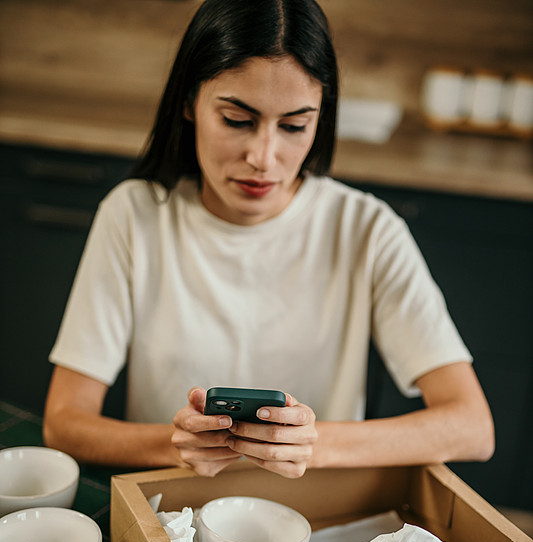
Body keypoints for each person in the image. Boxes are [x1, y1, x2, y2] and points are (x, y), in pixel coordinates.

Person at [43, 0, 494, 479]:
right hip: (173, 510)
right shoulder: (134, 215)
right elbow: (64, 423)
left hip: (318, 515)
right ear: (190, 102)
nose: (264, 157)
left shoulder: (366, 229)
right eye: (237, 120)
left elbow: (471, 427)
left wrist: (308, 443)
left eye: (295, 126)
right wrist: (177, 445)